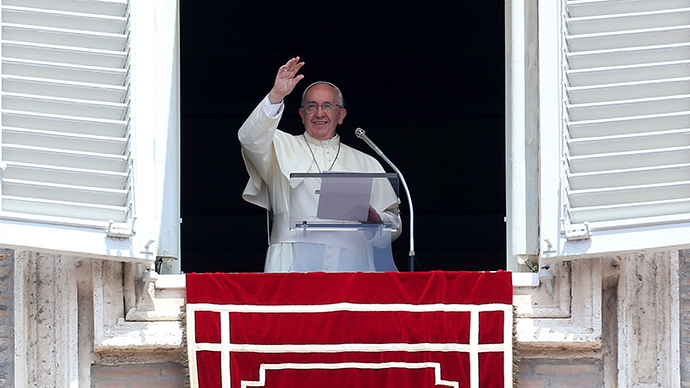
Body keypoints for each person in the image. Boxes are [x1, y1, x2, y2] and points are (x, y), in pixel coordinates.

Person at [239, 57, 402, 272]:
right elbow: (249, 138)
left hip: (351, 265)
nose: (319, 113)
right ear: (302, 115)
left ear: (340, 115)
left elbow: (394, 224)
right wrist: (276, 95)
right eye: (311, 106)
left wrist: (375, 219)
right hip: (291, 259)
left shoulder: (366, 162)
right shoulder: (279, 145)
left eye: (327, 106)